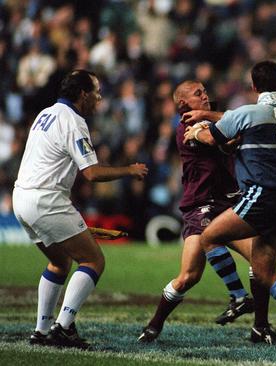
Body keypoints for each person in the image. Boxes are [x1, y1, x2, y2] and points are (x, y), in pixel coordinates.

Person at [183, 60, 276, 345]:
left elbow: (213, 137)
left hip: (262, 195)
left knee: (209, 236)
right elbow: (241, 117)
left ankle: (238, 297)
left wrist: (196, 131)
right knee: (263, 269)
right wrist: (210, 112)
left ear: (253, 86)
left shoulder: (249, 112)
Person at [13, 69, 148, 348]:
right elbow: (92, 173)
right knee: (93, 261)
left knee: (59, 262)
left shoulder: (45, 113)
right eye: (96, 93)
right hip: (47, 200)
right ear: (83, 94)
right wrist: (129, 170)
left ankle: (41, 330)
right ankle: (62, 327)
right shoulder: (74, 120)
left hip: (22, 198)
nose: (99, 99)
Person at [138, 80, 261, 343]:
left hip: (229, 204)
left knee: (262, 261)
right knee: (188, 276)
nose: (205, 95)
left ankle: (264, 323)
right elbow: (217, 139)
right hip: (201, 206)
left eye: (205, 90)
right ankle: (154, 325)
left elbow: (229, 132)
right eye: (197, 94)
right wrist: (236, 134)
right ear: (183, 103)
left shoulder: (212, 117)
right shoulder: (187, 127)